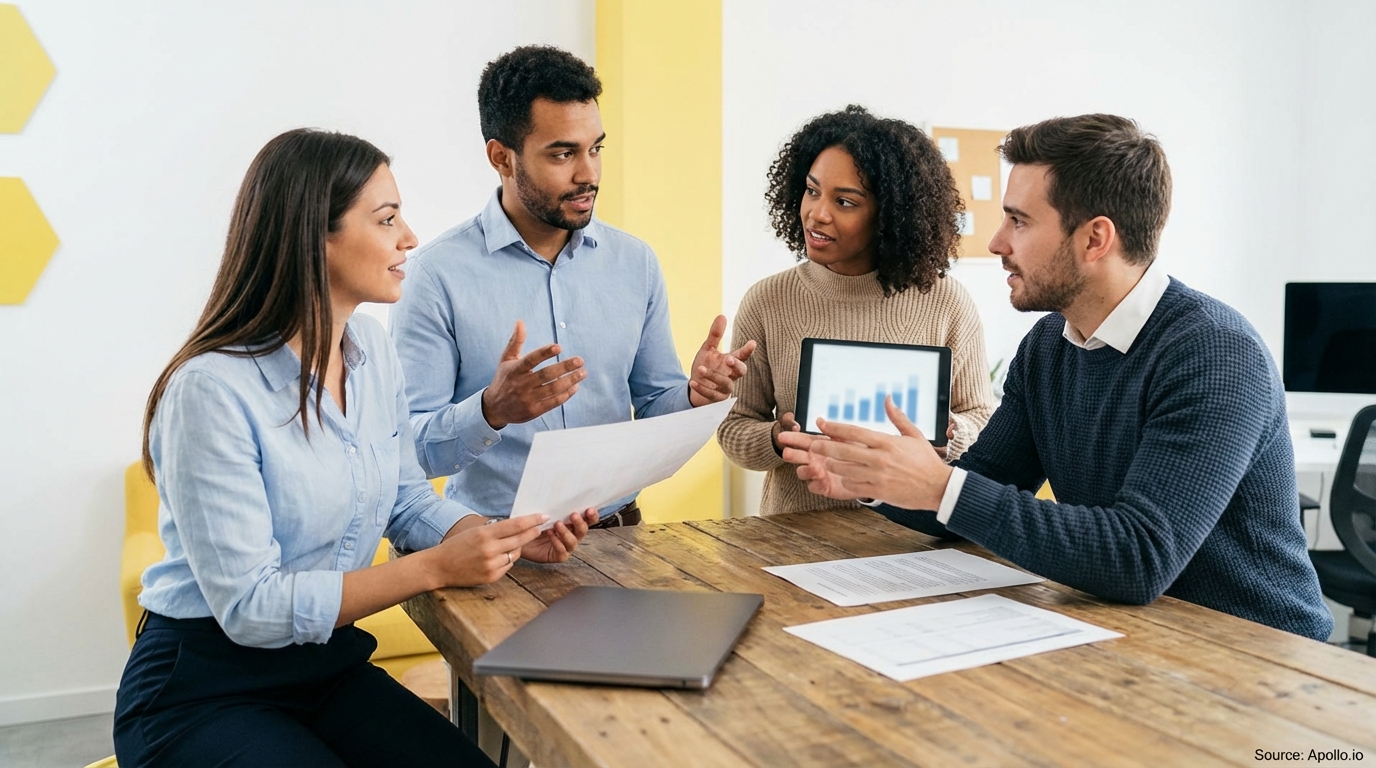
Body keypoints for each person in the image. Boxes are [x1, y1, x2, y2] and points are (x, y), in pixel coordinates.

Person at [114, 128, 599, 767]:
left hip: (326, 670)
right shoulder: (209, 391)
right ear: (315, 235)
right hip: (204, 687)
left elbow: (403, 499)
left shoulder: (369, 354)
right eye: (387, 219)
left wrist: (499, 534)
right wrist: (435, 567)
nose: (410, 239)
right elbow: (251, 608)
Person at [779, 114, 1333, 640]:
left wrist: (939, 486)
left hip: (1257, 657)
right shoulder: (1049, 346)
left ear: (1095, 239)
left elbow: (1139, 556)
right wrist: (872, 478)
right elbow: (984, 482)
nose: (996, 242)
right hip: (1137, 636)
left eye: (1018, 221)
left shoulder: (1214, 354)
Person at [390, 45, 754, 527]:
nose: (589, 174)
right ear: (502, 157)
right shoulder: (436, 275)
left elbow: (652, 406)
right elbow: (406, 450)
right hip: (493, 549)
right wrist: (490, 410)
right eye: (563, 154)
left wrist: (693, 396)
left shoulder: (635, 263)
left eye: (595, 148)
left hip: (619, 537)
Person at [718, 105, 995, 515]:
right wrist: (779, 438)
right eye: (812, 191)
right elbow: (734, 427)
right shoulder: (768, 300)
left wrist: (949, 433)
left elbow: (981, 417)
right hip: (795, 541)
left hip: (911, 543)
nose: (818, 213)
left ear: (890, 216)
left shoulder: (946, 302)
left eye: (845, 202)